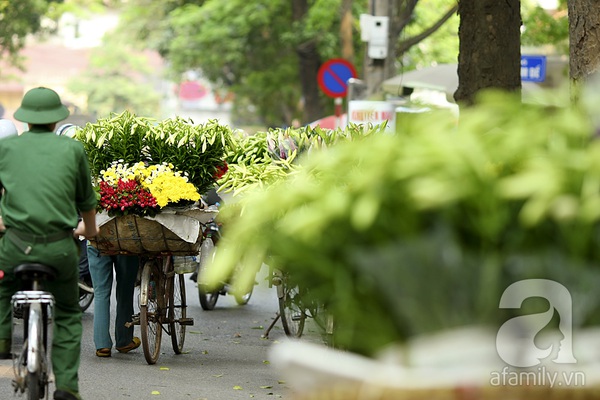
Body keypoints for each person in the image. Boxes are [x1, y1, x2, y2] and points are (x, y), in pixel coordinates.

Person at [0, 87, 98, 400]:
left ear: (25, 120)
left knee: (2, 288)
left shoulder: (6, 149)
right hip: (60, 248)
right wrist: (89, 230)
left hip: (15, 245)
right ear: (57, 120)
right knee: (68, 312)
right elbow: (86, 200)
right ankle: (67, 385)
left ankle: (3, 341)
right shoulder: (72, 151)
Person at [86, 245, 141, 357]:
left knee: (100, 293)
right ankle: (124, 340)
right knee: (125, 291)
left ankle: (102, 345)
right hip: (126, 243)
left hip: (97, 242)